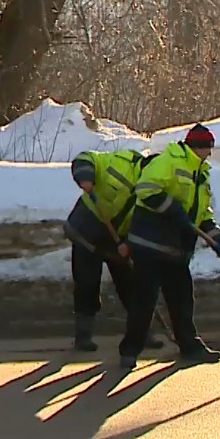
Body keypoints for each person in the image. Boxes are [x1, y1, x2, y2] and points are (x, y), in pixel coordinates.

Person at [119, 123, 220, 368]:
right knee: (144, 300)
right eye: (208, 149)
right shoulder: (169, 160)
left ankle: (190, 346)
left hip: (176, 250)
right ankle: (130, 350)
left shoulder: (200, 175)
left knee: (182, 299)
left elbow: (201, 215)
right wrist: (171, 208)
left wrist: (219, 240)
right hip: (150, 245)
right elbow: (146, 188)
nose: (210, 154)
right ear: (198, 147)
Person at [64, 147, 165, 352]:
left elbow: (147, 222)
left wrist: (129, 244)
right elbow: (86, 157)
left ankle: (142, 333)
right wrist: (85, 175)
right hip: (86, 234)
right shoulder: (121, 163)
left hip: (118, 242)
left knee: (132, 286)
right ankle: (83, 337)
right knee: (87, 284)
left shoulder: (155, 188)